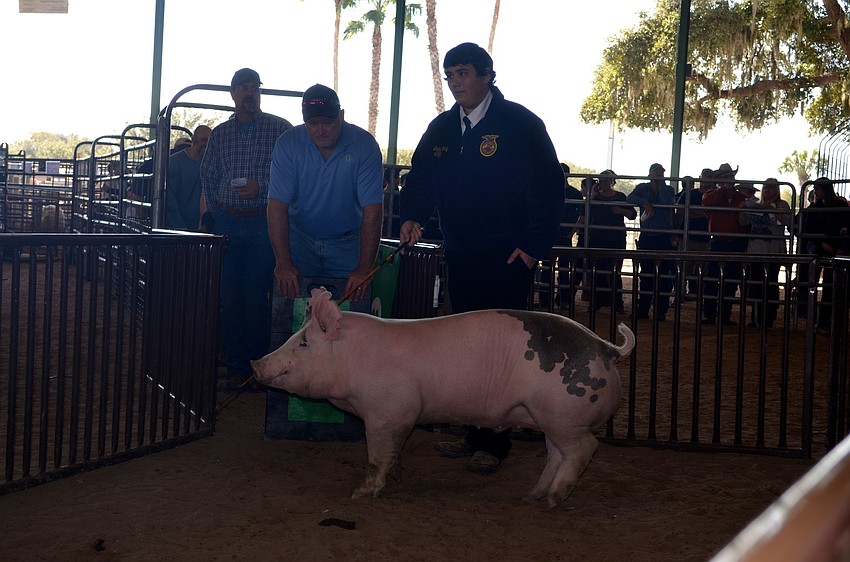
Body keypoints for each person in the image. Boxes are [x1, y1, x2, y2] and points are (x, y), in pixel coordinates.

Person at [398, 42, 563, 475]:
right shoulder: (441, 129)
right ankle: (474, 430)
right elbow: (419, 180)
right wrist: (411, 215)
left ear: (488, 75)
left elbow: (549, 190)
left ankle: (497, 439)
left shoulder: (521, 124)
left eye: (465, 73)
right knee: (466, 350)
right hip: (461, 254)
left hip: (508, 258)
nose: (457, 83)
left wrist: (531, 247)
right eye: (450, 74)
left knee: (501, 352)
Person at [200, 68, 293, 388]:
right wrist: (214, 210)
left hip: (263, 221)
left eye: (254, 87)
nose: (249, 93)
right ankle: (239, 365)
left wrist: (263, 189)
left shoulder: (281, 129)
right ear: (233, 94)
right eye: (243, 88)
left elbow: (293, 173)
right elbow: (208, 175)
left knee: (254, 295)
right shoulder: (219, 134)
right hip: (227, 220)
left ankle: (258, 365)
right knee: (228, 295)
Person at [268, 83, 384, 303]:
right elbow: (276, 206)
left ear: (341, 116)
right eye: (313, 124)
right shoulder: (287, 144)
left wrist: (364, 267)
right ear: (304, 122)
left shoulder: (364, 145)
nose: (320, 130)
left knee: (350, 318)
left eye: (328, 123)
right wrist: (282, 263)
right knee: (294, 315)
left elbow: (373, 210)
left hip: (349, 243)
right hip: (299, 240)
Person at [576, 170, 636, 312]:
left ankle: (617, 303)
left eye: (606, 180)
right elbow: (584, 212)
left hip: (616, 238)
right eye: (601, 180)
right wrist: (592, 196)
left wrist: (620, 211)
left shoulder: (621, 196)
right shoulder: (595, 198)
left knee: (615, 272)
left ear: (612, 181)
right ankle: (596, 302)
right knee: (596, 271)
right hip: (597, 237)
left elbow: (632, 214)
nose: (603, 183)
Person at [796, 177, 850, 332]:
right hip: (823, 247)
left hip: (833, 247)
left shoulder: (836, 206)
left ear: (825, 190)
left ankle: (826, 321)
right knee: (817, 283)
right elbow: (809, 231)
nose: (815, 192)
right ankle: (817, 319)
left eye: (818, 189)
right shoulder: (818, 207)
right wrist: (822, 243)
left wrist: (839, 245)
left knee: (831, 285)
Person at [739, 178, 791, 328]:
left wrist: (771, 209)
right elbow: (744, 222)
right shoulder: (756, 205)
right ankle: (755, 316)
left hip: (773, 249)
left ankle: (768, 317)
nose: (768, 190)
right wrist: (742, 211)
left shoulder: (782, 205)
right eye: (766, 187)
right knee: (756, 283)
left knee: (770, 283)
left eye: (772, 187)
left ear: (777, 190)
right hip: (756, 249)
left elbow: (788, 222)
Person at [627, 163, 676, 320]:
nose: (658, 176)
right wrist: (645, 202)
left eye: (661, 173)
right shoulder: (642, 187)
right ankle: (643, 310)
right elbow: (630, 198)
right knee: (646, 275)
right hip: (648, 236)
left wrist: (659, 185)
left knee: (664, 275)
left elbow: (665, 200)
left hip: (664, 236)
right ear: (649, 174)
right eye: (656, 173)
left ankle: (660, 312)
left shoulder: (669, 190)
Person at [701, 164, 748, 326]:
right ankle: (709, 314)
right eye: (725, 177)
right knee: (712, 279)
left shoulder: (741, 197)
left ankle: (724, 315)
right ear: (719, 181)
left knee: (731, 280)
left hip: (736, 242)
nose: (729, 180)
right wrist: (722, 189)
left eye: (730, 177)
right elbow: (707, 202)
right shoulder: (710, 195)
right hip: (718, 241)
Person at [539, 162, 583, 309]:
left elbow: (582, 216)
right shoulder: (549, 191)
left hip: (562, 235)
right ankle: (547, 301)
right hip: (552, 235)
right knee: (549, 268)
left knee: (563, 270)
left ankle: (562, 300)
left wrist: (570, 233)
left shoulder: (573, 193)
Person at [675, 169, 713, 297]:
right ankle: (680, 295)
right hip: (687, 236)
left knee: (703, 271)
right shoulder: (689, 193)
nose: (707, 179)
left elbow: (712, 214)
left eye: (709, 177)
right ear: (700, 178)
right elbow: (678, 211)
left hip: (703, 238)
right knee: (683, 268)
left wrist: (691, 212)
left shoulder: (714, 195)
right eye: (705, 177)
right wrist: (702, 213)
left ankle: (701, 297)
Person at [165, 125, 211, 230]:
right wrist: (180, 229)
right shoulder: (173, 163)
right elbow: (169, 202)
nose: (206, 144)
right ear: (193, 139)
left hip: (204, 228)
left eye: (210, 140)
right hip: (179, 229)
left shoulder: (212, 164)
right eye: (203, 140)